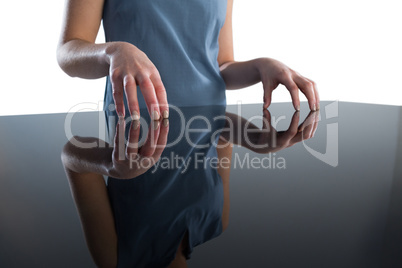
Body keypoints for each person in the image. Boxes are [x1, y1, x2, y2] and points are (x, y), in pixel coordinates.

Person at [57, 0, 319, 122]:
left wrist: (260, 66)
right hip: (136, 129)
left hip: (209, 126)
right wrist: (112, 52)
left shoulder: (220, 218)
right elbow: (69, 51)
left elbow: (221, 66)